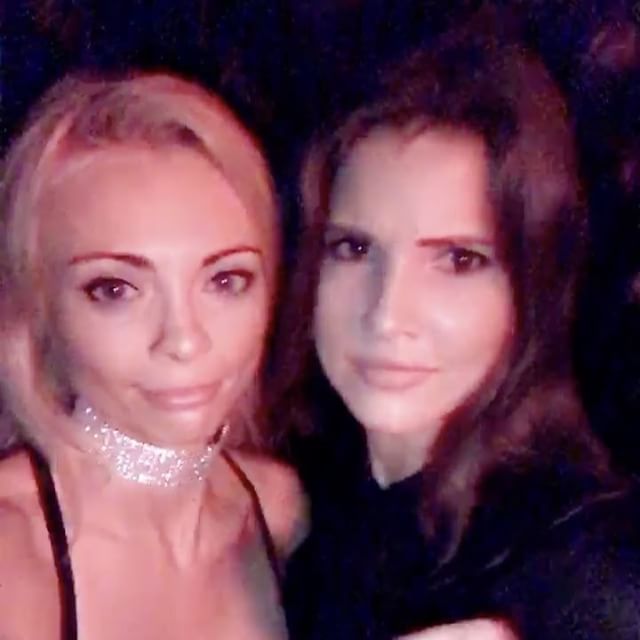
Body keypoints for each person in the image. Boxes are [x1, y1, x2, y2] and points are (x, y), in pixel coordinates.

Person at [274, 26, 640, 640]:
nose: (387, 313)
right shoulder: (318, 527)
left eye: (459, 260)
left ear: (532, 287)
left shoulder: (586, 568)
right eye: (354, 248)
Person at [0, 72, 305, 639]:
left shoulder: (286, 514)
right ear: (39, 313)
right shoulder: (11, 549)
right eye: (115, 290)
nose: (185, 340)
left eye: (226, 280)